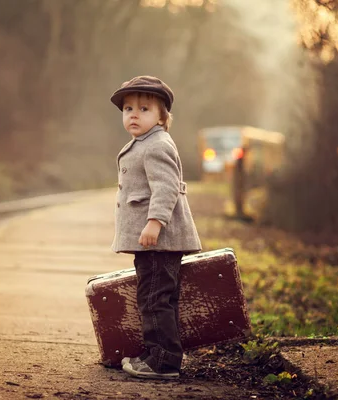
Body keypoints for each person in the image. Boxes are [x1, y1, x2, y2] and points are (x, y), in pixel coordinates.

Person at [109, 76, 202, 379]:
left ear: (162, 117)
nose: (133, 114)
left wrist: (154, 223)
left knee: (155, 298)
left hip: (159, 240)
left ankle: (163, 362)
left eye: (144, 108)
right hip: (153, 242)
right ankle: (155, 352)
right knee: (153, 297)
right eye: (128, 109)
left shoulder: (157, 144)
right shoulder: (142, 143)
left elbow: (166, 188)